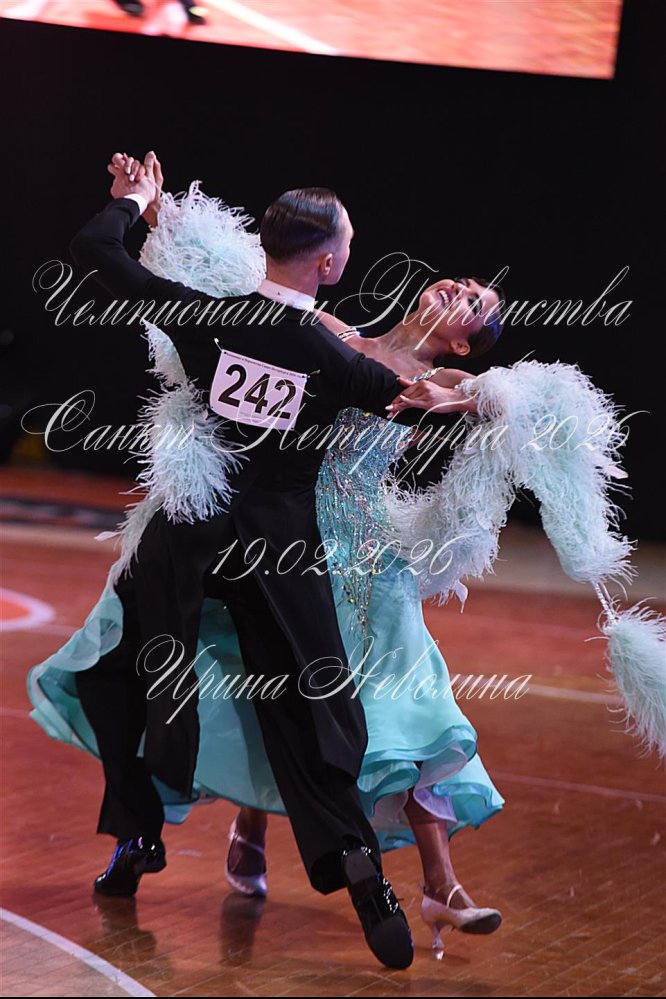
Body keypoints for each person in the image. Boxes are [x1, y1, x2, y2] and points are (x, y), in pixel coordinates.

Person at [29, 153, 504, 957]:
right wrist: (460, 397)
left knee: (122, 670)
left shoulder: (206, 314)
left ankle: (139, 833)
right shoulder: (330, 352)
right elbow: (401, 393)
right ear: (330, 263)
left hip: (189, 536)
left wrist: (136, 202)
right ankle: (360, 869)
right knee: (316, 707)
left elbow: (96, 251)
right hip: (281, 552)